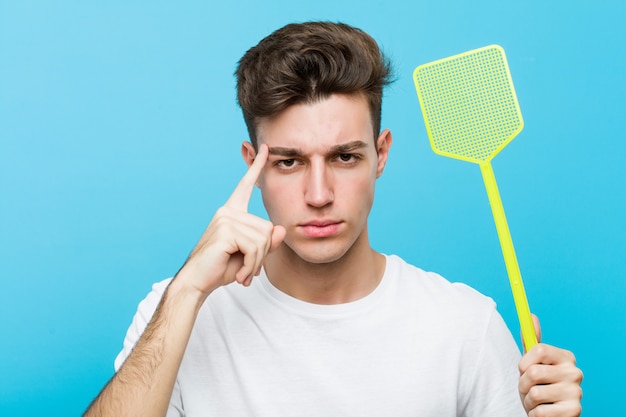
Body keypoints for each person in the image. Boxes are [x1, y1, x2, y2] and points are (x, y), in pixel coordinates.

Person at [84, 21, 583, 417]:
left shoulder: (465, 327)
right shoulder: (176, 313)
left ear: (381, 154)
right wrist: (187, 292)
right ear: (251, 165)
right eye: (288, 161)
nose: (318, 195)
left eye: (344, 157)